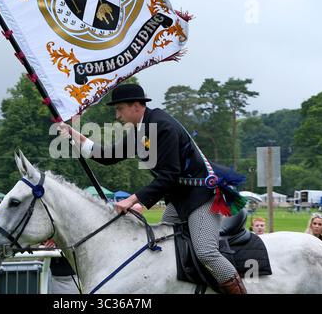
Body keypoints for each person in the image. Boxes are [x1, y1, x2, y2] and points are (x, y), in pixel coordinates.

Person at [59, 84, 247, 294]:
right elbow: (108, 156)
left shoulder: (163, 127)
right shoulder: (141, 130)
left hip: (201, 197)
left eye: (120, 108)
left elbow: (169, 176)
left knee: (206, 252)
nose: (117, 115)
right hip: (179, 200)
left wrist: (132, 200)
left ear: (136, 106)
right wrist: (74, 134)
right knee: (163, 248)